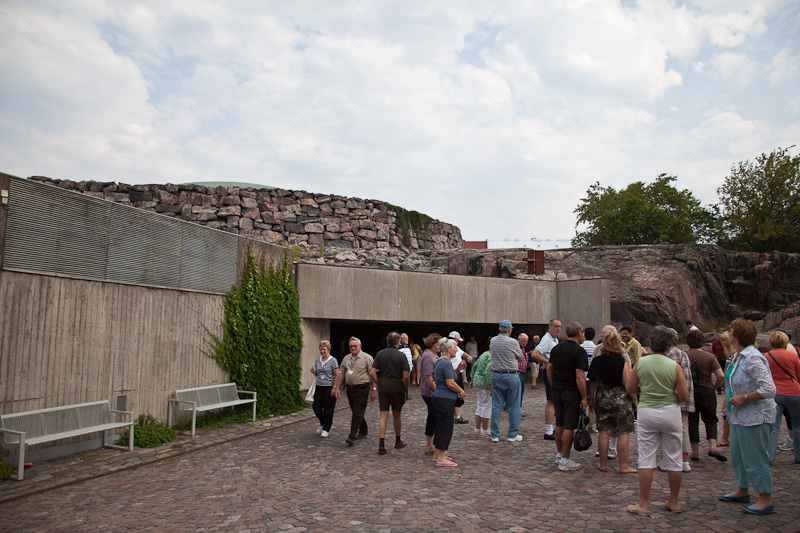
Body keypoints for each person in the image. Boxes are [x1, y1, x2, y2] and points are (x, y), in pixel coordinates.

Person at [626, 326, 690, 517]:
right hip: (671, 411)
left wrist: (645, 387)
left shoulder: (641, 363)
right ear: (669, 346)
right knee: (673, 457)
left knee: (646, 457)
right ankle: (674, 500)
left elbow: (631, 387)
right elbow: (684, 395)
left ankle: (644, 503)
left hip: (647, 411)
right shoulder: (674, 366)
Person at [718, 318, 777, 515]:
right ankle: (742, 489)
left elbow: (769, 389)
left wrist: (744, 398)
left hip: (755, 417)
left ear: (739, 335)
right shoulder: (738, 356)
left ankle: (764, 498)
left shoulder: (753, 357)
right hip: (739, 416)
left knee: (755, 457)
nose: (729, 332)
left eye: (732, 329)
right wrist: (730, 403)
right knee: (739, 456)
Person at [588, 329, 636, 474]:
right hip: (620, 397)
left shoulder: (597, 361)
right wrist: (634, 399)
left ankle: (602, 464)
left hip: (603, 397)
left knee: (603, 431)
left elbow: (593, 382)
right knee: (623, 432)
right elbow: (627, 383)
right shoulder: (621, 361)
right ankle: (623, 466)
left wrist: (592, 399)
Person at [547, 322, 589, 471]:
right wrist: (585, 397)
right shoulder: (579, 351)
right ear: (578, 333)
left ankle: (559, 454)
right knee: (569, 425)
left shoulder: (556, 348)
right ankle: (565, 458)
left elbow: (549, 368)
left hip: (557, 390)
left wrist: (554, 384)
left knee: (559, 423)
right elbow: (580, 376)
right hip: (571, 391)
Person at [686, 329, 726, 462]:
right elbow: (720, 375)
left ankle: (695, 451)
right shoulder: (709, 357)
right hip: (707, 390)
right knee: (710, 419)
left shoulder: (685, 356)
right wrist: (716, 386)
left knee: (692, 420)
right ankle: (713, 447)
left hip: (690, 391)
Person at [369, 331, 410, 455]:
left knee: (383, 415)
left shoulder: (380, 354)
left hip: (384, 385)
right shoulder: (401, 356)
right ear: (398, 343)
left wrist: (379, 382)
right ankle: (398, 440)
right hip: (397, 385)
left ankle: (381, 444)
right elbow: (406, 376)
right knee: (397, 414)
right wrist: (405, 387)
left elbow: (372, 372)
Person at [662, 328, 695, 473]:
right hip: (685, 397)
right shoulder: (684, 355)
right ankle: (684, 460)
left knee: (666, 430)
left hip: (670, 399)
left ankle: (667, 460)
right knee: (682, 429)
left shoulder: (667, 355)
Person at [765, 331, 800, 464]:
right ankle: (798, 456)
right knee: (797, 424)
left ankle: (769, 457)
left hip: (775, 393)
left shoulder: (767, 356)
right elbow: (798, 374)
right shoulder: (793, 355)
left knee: (774, 426)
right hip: (794, 392)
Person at [333, 336, 374, 447]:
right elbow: (341, 373)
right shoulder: (346, 358)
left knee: (357, 411)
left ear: (360, 346)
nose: (353, 348)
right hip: (350, 389)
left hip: (362, 388)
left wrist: (374, 389)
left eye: (355, 346)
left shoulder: (367, 358)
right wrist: (337, 387)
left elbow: (373, 374)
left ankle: (352, 436)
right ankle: (363, 429)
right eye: (351, 346)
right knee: (356, 411)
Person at [432, 338, 466, 467]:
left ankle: (438, 454)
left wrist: (457, 370)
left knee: (441, 426)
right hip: (445, 398)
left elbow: (450, 377)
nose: (457, 350)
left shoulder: (442, 362)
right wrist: (461, 391)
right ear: (448, 349)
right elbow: (450, 383)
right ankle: (441, 457)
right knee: (445, 427)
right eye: (455, 347)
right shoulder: (445, 363)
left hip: (441, 397)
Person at [489, 320, 524, 442]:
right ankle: (512, 434)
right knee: (514, 405)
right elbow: (520, 358)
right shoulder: (513, 342)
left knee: (496, 405)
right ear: (509, 330)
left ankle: (494, 434)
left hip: (496, 374)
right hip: (511, 374)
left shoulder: (493, 341)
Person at [531, 319, 563, 440]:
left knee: (555, 400)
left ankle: (553, 428)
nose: (558, 329)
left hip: (555, 372)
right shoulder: (547, 340)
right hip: (550, 372)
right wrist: (549, 362)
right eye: (556, 326)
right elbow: (535, 354)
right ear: (550, 327)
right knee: (551, 400)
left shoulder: (554, 340)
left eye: (560, 326)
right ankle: (548, 430)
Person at [310, 340, 339, 438]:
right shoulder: (318, 360)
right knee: (316, 407)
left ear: (328, 349)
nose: (322, 351)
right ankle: (322, 423)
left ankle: (326, 428)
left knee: (328, 408)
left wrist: (335, 387)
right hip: (319, 386)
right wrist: (314, 372)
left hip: (329, 386)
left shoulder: (333, 360)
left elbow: (336, 375)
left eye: (324, 349)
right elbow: (318, 373)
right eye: (321, 349)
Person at [420, 333, 441, 455]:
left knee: (432, 416)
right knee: (435, 416)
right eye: (438, 344)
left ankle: (430, 444)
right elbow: (428, 377)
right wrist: (436, 391)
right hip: (430, 392)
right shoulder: (428, 356)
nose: (439, 347)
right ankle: (433, 444)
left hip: (432, 391)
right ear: (432, 344)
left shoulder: (435, 355)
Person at [449, 331, 472, 424]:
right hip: (453, 374)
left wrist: (468, 357)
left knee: (457, 395)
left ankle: (457, 416)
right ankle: (454, 416)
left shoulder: (456, 347)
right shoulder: (449, 348)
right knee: (455, 394)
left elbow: (463, 354)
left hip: (458, 373)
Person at [717, 331, 735, 446]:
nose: (724, 343)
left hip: (732, 389)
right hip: (729, 388)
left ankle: (726, 437)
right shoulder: (729, 353)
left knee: (726, 412)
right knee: (726, 412)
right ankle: (726, 436)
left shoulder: (734, 354)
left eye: (725, 340)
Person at [471, 344, 493, 435]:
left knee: (480, 405)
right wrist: (490, 387)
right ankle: (484, 429)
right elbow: (488, 373)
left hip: (478, 380)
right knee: (486, 406)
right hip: (485, 383)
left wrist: (472, 379)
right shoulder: (491, 357)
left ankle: (477, 428)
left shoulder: (484, 354)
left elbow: (474, 366)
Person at [516, 333, 529, 415]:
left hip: (523, 373)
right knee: (517, 393)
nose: (525, 343)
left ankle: (518, 409)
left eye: (527, 341)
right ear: (519, 340)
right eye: (524, 341)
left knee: (521, 393)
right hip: (517, 373)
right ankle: (516, 410)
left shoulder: (523, 350)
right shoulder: (516, 348)